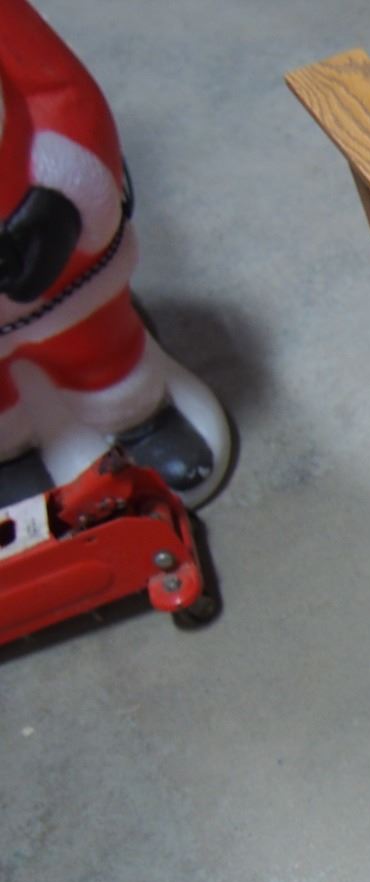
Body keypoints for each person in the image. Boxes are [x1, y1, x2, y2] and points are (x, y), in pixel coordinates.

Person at [0, 0, 230, 508]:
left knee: (96, 349)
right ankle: (11, 456)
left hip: (52, 267)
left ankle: (134, 414)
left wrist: (56, 209)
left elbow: (59, 93)